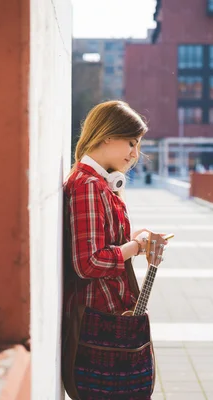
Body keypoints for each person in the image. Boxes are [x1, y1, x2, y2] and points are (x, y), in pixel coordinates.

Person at [63, 100, 168, 320]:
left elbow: (99, 242)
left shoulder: (97, 182)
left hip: (108, 311)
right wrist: (135, 246)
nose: (135, 154)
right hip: (100, 317)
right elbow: (89, 263)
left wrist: (133, 240)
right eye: (132, 143)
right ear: (108, 135)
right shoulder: (89, 185)